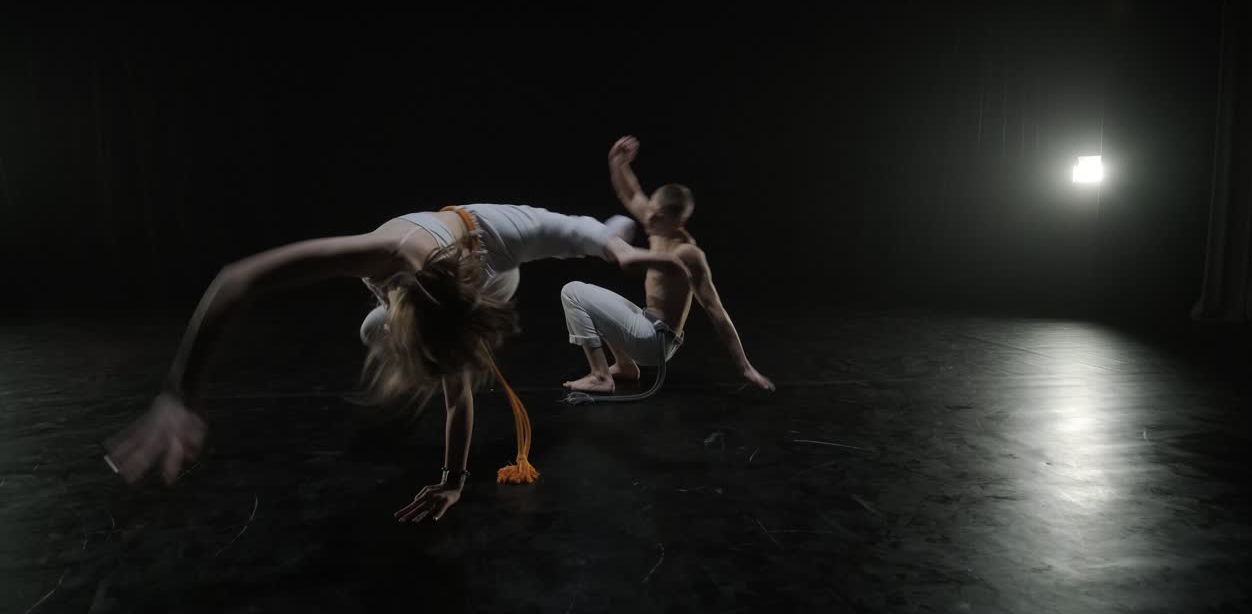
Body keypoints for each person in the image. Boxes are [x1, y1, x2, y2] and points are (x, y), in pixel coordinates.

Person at [103, 203, 686, 523]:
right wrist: (180, 391)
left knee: (585, 234)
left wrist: (618, 249)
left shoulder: (499, 236)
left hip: (492, 265)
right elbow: (237, 278)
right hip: (447, 274)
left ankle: (616, 231)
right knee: (370, 329)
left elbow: (567, 230)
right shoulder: (380, 254)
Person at [560, 137, 775, 395]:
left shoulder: (687, 253)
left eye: (657, 216)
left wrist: (745, 368)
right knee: (594, 298)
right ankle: (625, 367)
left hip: (656, 341)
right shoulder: (658, 227)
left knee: (573, 291)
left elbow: (715, 310)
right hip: (646, 325)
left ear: (678, 223)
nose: (647, 218)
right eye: (650, 210)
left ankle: (600, 376)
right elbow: (630, 193)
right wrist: (617, 162)